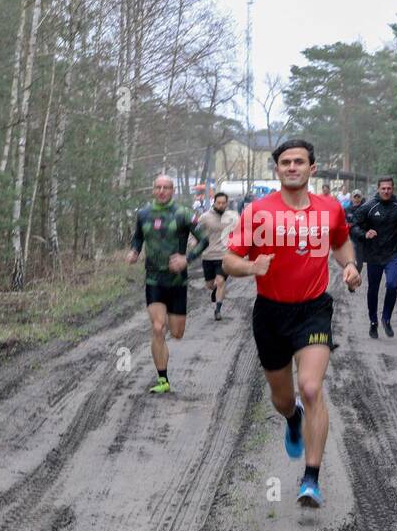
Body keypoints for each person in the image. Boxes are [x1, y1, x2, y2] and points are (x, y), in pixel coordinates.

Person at [224, 139, 361, 508]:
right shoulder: (258, 212)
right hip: (270, 313)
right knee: (284, 398)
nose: (292, 167)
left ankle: (311, 479)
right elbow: (228, 260)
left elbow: (342, 243)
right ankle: (292, 417)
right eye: (285, 162)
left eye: (299, 161)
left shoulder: (330, 209)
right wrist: (251, 267)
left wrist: (349, 265)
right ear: (278, 169)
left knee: (312, 387)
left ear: (312, 169)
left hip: (314, 309)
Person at [127, 174, 209, 393]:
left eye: (166, 187)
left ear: (172, 190)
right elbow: (138, 237)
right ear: (153, 189)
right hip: (154, 279)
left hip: (177, 281)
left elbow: (204, 240)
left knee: (177, 332)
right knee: (157, 327)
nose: (162, 191)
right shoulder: (143, 214)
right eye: (158, 187)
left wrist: (187, 259)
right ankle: (163, 379)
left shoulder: (182, 214)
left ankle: (165, 367)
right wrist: (134, 251)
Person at [355, 176, 397, 339]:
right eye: (383, 188)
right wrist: (365, 233)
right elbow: (354, 226)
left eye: (389, 188)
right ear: (378, 189)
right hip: (374, 254)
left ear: (393, 189)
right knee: (373, 289)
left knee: (392, 285)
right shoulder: (368, 206)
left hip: (394, 254)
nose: (386, 191)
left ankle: (386, 318)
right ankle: (373, 322)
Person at [193, 191, 239, 320]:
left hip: (224, 255)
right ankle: (218, 290)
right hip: (208, 255)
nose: (221, 205)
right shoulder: (205, 217)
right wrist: (193, 242)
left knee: (220, 281)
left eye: (224, 203)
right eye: (219, 203)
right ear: (214, 203)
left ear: (227, 203)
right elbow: (195, 232)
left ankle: (218, 310)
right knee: (210, 284)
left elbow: (240, 233)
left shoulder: (233, 216)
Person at [344, 190, 367, 271]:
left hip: (361, 239)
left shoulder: (365, 209)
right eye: (355, 197)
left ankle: (355, 278)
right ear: (351, 198)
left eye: (358, 197)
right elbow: (344, 222)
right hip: (350, 239)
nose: (357, 199)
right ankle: (352, 279)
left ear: (361, 198)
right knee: (350, 262)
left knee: (359, 263)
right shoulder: (347, 210)